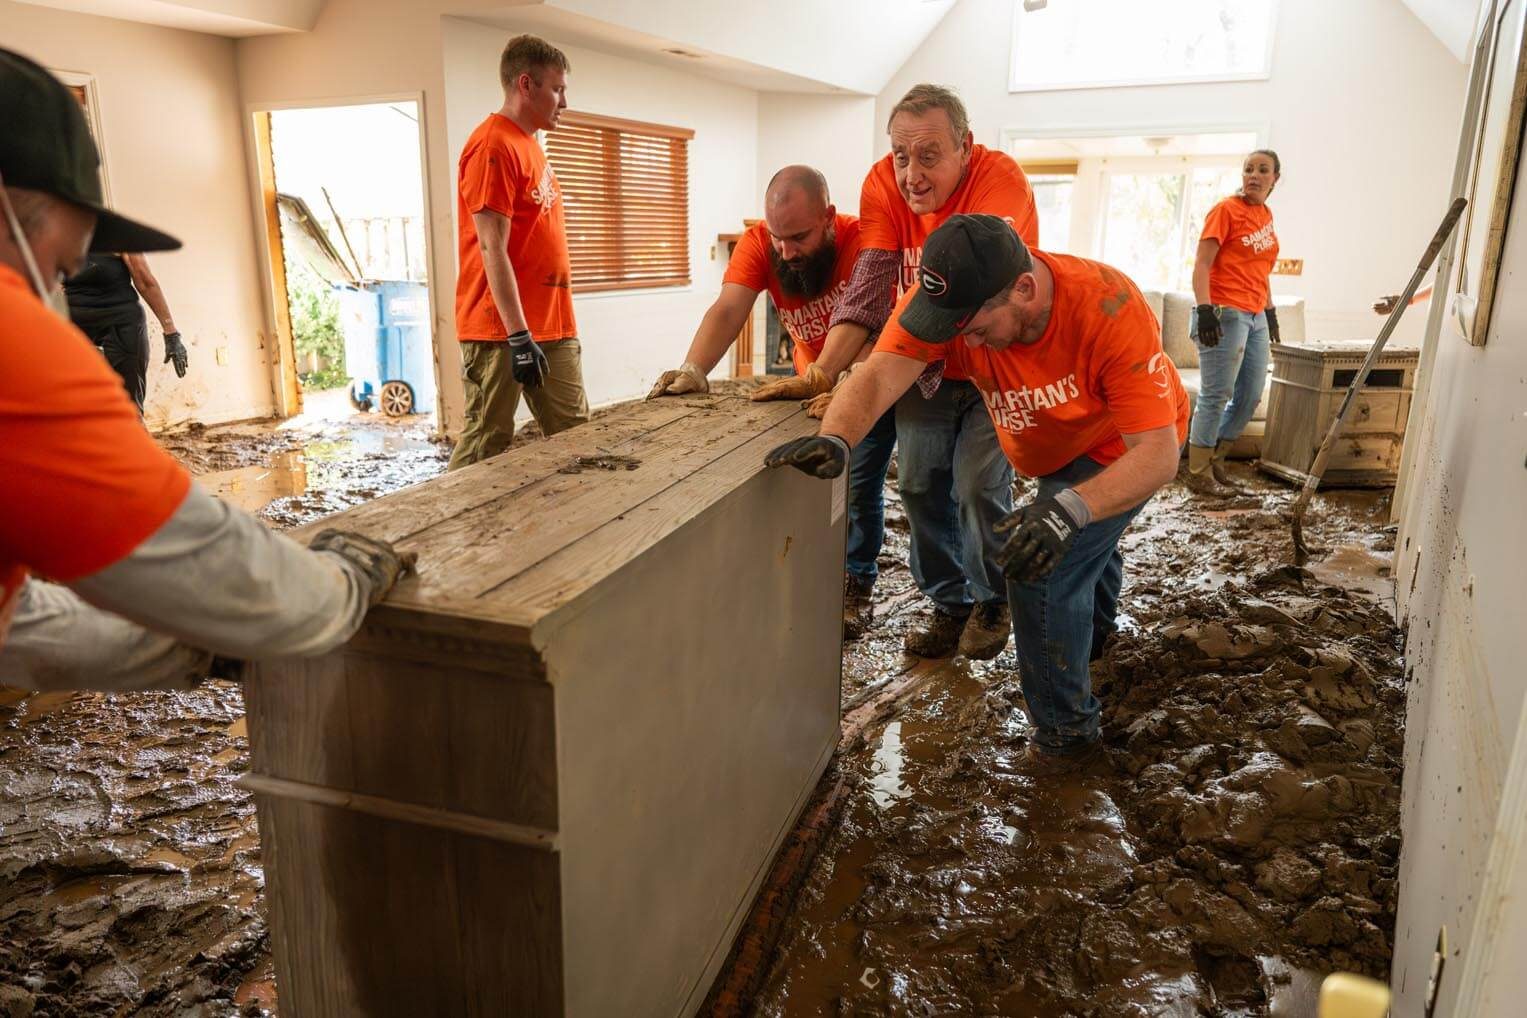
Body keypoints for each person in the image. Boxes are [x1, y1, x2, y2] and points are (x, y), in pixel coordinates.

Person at [0, 48, 412, 692]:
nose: (70, 277)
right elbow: (247, 590)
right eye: (61, 264)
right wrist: (342, 583)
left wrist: (192, 649)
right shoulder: (16, 346)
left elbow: (11, 623)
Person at [766, 215, 1188, 772]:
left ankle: (1067, 738)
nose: (959, 342)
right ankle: (1097, 643)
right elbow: (876, 376)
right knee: (1080, 550)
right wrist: (837, 442)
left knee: (1041, 566)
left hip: (1118, 450)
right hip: (1051, 446)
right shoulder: (948, 295)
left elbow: (1157, 455)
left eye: (973, 327)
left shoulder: (1107, 307)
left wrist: (1069, 511)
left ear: (1024, 290)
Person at [757, 83, 1039, 662]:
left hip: (993, 361)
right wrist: (823, 374)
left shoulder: (999, 180)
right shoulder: (881, 182)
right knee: (915, 482)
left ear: (966, 146)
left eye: (929, 155)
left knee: (976, 486)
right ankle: (949, 604)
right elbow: (871, 280)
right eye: (900, 154)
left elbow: (958, 280)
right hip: (926, 364)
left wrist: (858, 374)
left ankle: (991, 599)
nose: (910, 173)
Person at [647, 165, 894, 637]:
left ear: (828, 217)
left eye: (798, 237)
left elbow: (874, 327)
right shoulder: (762, 243)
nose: (786, 251)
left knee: (859, 481)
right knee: (804, 480)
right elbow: (727, 309)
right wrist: (694, 369)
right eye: (778, 237)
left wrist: (852, 379)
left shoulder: (864, 244)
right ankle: (810, 569)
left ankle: (857, 580)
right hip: (805, 384)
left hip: (866, 376)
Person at [448, 34, 588, 472]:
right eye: (557, 89)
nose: (564, 101)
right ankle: (448, 529)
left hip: (553, 323)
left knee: (578, 434)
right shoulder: (493, 145)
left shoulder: (529, 143)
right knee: (487, 438)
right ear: (526, 85)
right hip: (502, 330)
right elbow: (492, 246)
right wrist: (518, 336)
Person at [1183, 149, 1282, 495]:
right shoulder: (1226, 210)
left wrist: (1270, 313)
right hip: (1225, 312)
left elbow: (1261, 270)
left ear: (1275, 180)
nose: (1254, 175)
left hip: (1256, 316)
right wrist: (1206, 308)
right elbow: (1202, 264)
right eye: (1248, 169)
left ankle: (1217, 462)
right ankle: (1198, 471)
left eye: (1262, 170)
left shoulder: (1266, 215)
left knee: (1251, 394)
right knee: (1216, 394)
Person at [65, 252, 187, 411]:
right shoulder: (59, 237)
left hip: (122, 323)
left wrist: (171, 333)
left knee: (129, 406)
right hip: (76, 324)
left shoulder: (118, 236)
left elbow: (145, 281)